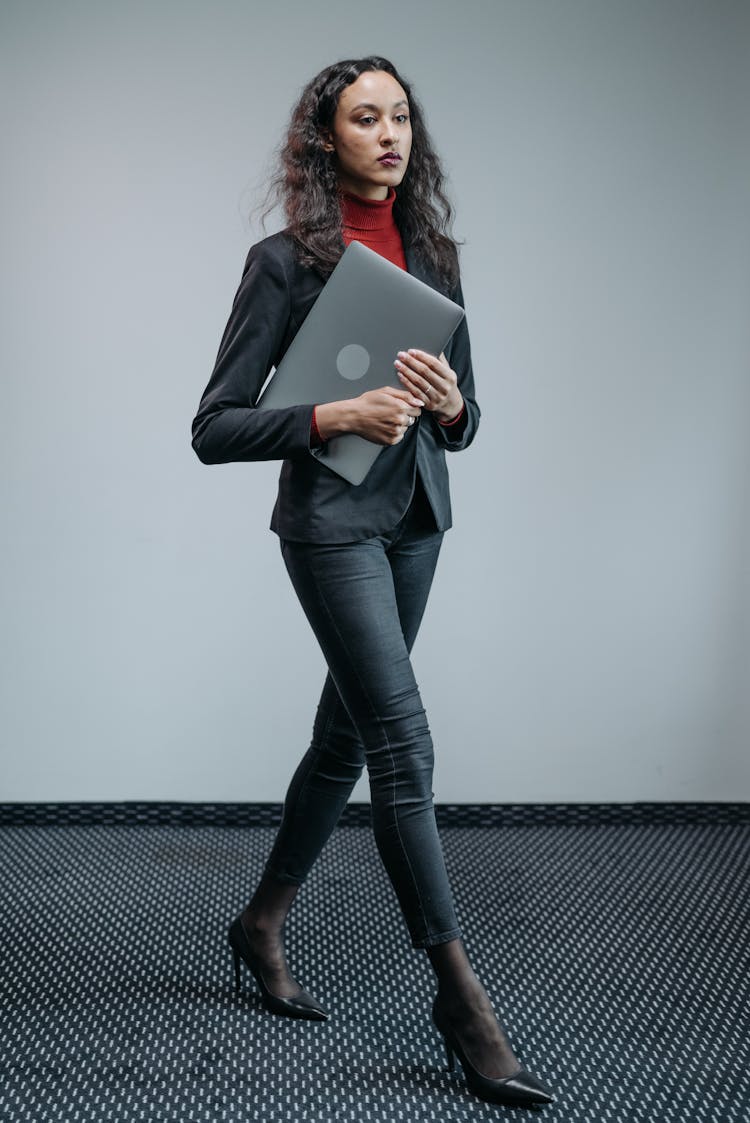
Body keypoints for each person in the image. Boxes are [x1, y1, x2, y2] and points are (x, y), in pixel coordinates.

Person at [191, 56, 553, 1110]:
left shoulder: (433, 251)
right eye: (365, 117)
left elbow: (468, 418)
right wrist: (333, 416)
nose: (388, 133)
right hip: (330, 528)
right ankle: (462, 1003)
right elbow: (212, 427)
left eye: (400, 116)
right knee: (403, 741)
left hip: (415, 522)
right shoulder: (283, 261)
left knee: (345, 739)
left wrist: (446, 406)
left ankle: (260, 921)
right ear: (327, 139)